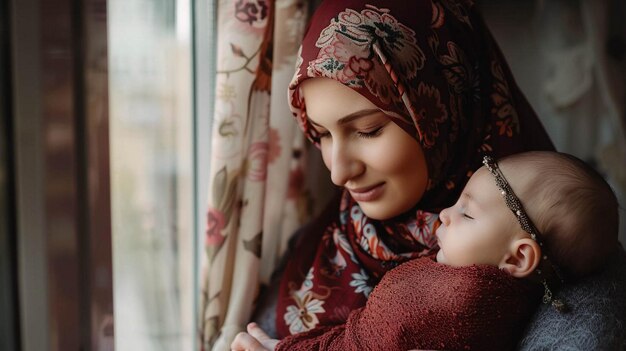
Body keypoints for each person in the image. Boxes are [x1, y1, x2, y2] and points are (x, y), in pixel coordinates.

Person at [240, 0, 557, 346]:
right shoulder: (320, 242)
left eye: (368, 130)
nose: (339, 174)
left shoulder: (548, 273)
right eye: (323, 134)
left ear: (444, 108)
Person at [231, 151, 620, 350]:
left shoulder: (465, 305)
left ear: (518, 258)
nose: (444, 215)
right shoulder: (477, 289)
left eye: (466, 213)